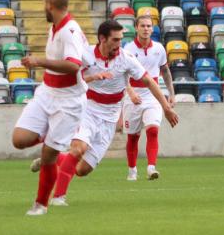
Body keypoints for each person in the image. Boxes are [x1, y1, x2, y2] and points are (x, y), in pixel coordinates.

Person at [32, 20, 179, 207]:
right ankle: (58, 197)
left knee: (82, 169)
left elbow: (150, 82)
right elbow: (67, 78)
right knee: (78, 149)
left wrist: (166, 108)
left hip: (109, 118)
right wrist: (92, 77)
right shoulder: (84, 55)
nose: (119, 44)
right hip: (87, 110)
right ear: (102, 39)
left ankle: (51, 158)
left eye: (121, 39)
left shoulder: (126, 59)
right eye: (115, 40)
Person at [11, 0, 88, 216]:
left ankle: (40, 205)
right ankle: (50, 136)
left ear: (49, 5)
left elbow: (73, 64)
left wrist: (39, 61)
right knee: (19, 139)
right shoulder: (55, 26)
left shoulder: (69, 30)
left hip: (68, 101)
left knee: (47, 157)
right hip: (47, 93)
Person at [122, 15, 175, 181]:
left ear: (152, 29)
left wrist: (172, 93)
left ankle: (151, 167)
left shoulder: (159, 49)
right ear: (136, 28)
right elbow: (122, 74)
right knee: (133, 136)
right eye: (142, 25)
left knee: (153, 130)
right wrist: (130, 92)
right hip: (133, 95)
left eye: (149, 26)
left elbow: (165, 71)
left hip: (153, 95)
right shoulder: (128, 49)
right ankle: (132, 171)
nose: (146, 29)